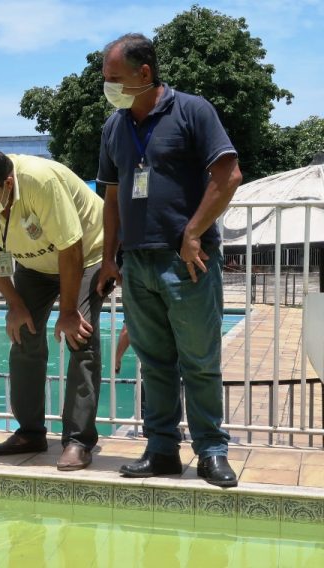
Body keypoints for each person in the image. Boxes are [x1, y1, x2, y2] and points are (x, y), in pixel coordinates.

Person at [96, 34, 243, 487]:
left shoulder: (192, 111)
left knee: (199, 359)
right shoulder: (114, 127)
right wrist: (108, 260)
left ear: (145, 74)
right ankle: (160, 449)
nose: (109, 87)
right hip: (137, 263)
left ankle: (211, 451)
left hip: (188, 261)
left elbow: (228, 174)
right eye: (106, 80)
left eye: (115, 79)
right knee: (155, 362)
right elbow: (113, 196)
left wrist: (193, 233)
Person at [0, 148, 106, 471]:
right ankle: (30, 432)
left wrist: (67, 312)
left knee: (80, 337)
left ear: (8, 183)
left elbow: (70, 247)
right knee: (23, 333)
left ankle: (78, 440)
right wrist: (14, 304)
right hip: (34, 264)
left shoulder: (40, 181)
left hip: (87, 253)